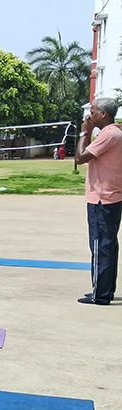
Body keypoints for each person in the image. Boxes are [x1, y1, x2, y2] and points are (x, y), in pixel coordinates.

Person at [76, 98, 122, 305]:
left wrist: (84, 132)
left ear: (104, 114)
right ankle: (106, 290)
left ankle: (100, 294)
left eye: (93, 112)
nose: (90, 116)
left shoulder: (108, 135)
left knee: (100, 246)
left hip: (102, 199)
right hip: (113, 196)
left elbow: (80, 157)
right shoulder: (116, 132)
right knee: (108, 246)